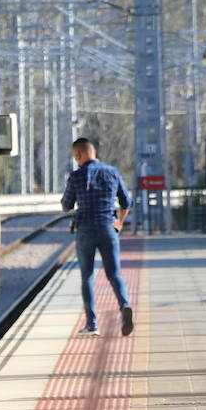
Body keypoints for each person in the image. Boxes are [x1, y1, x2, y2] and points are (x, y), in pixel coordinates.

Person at [60, 137, 134, 337]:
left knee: (87, 277)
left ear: (78, 154)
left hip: (85, 230)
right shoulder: (112, 172)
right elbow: (127, 202)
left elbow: (66, 205)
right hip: (108, 228)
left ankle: (92, 324)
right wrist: (119, 222)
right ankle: (125, 305)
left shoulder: (76, 176)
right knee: (114, 274)